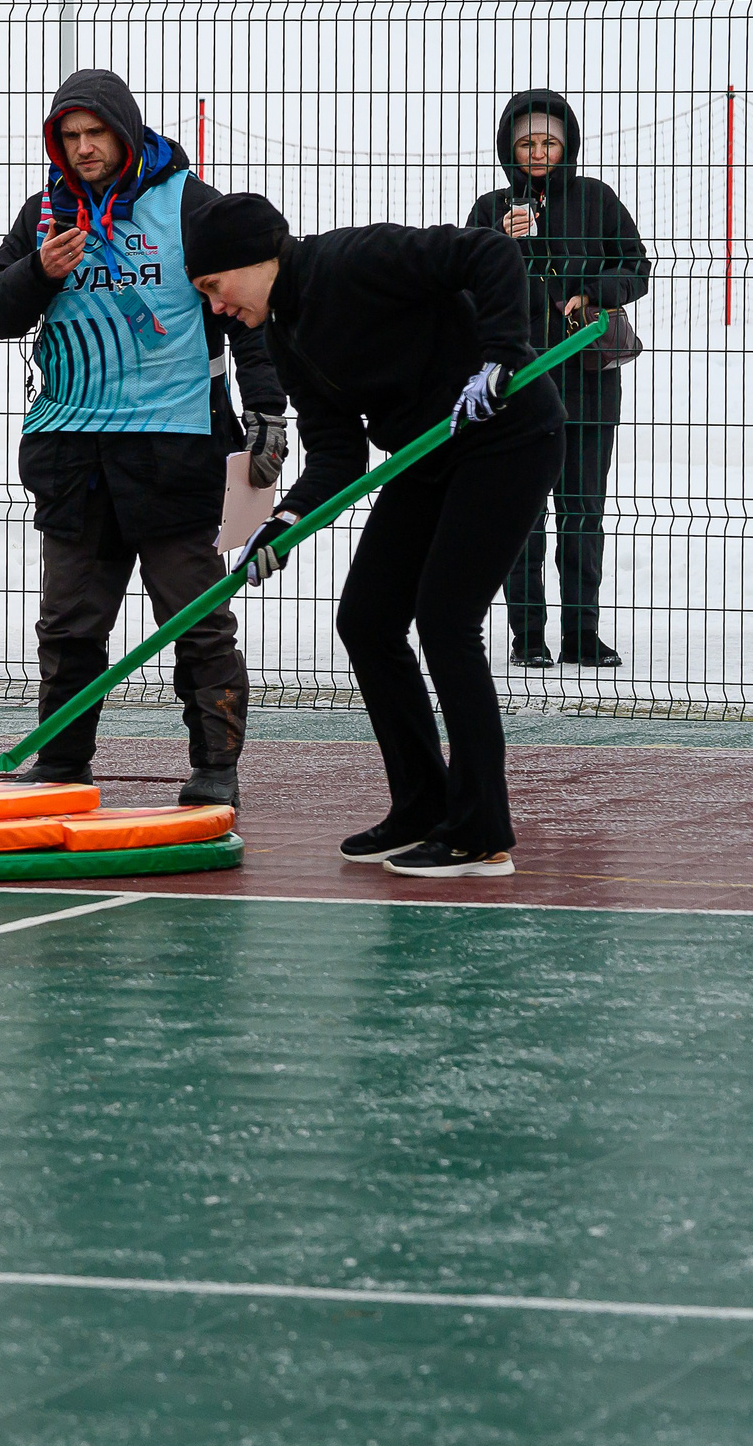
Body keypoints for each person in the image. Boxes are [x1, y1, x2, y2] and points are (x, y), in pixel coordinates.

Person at [189, 193, 563, 879]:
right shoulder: (285, 334)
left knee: (446, 621)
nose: (215, 306)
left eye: (215, 286)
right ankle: (423, 805)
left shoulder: (352, 260)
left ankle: (480, 833)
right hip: (429, 452)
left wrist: (501, 354)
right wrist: (286, 521)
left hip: (505, 432)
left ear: (256, 258)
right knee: (367, 618)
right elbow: (336, 454)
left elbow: (488, 252)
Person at [0, 69, 289, 809]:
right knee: (70, 625)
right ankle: (62, 765)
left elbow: (250, 310)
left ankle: (215, 767)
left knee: (196, 619)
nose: (82, 149)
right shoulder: (45, 213)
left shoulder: (188, 203)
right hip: (73, 453)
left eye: (95, 134)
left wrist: (268, 409)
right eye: (69, 137)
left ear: (126, 130)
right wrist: (38, 273)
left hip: (176, 448)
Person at [464, 90, 650, 668]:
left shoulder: (596, 200)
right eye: (526, 143)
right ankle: (528, 637)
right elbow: (466, 287)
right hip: (517, 381)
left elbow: (636, 268)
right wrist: (505, 241)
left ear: (566, 144)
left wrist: (593, 291)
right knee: (523, 512)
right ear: (508, 149)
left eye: (548, 142)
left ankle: (581, 636)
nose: (538, 152)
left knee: (583, 508)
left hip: (588, 381)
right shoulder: (490, 208)